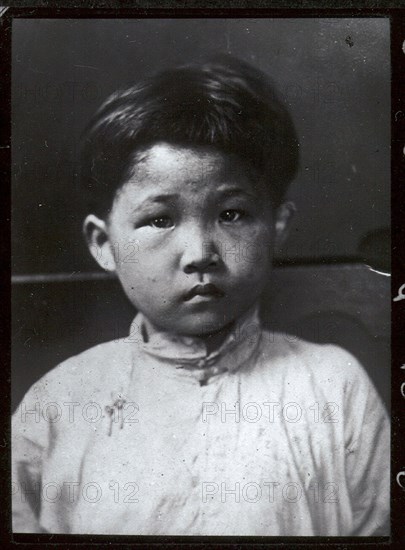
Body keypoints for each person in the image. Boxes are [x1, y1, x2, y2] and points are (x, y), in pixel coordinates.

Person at [12, 55, 389, 536]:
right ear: (104, 244)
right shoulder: (59, 403)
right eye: (161, 219)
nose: (200, 253)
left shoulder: (333, 386)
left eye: (231, 214)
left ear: (277, 227)